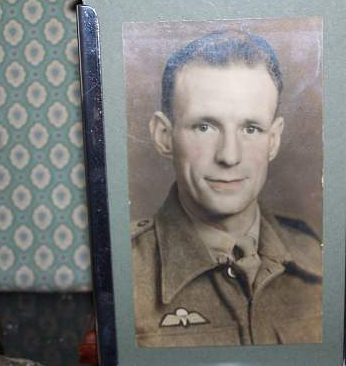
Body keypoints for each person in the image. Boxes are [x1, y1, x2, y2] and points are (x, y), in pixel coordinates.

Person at [132, 30, 322, 347]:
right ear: (164, 136)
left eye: (251, 128)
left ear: (272, 140)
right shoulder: (128, 274)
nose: (229, 156)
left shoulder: (316, 263)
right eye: (204, 126)